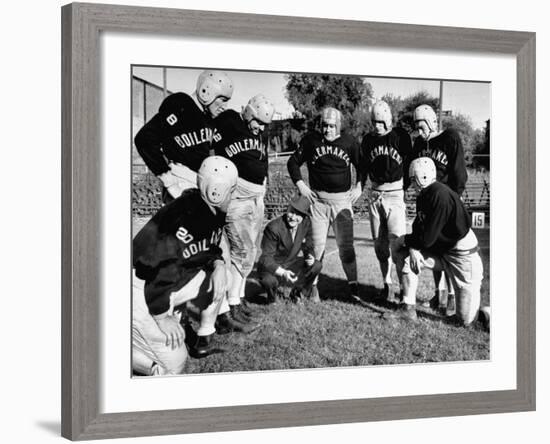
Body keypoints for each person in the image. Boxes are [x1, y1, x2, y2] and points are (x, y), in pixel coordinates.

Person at [132, 156, 258, 376]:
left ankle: (202, 337)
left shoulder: (207, 208)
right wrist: (162, 316)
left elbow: (208, 248)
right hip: (141, 288)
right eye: (232, 189)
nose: (235, 194)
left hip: (160, 281)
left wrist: (218, 263)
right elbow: (153, 266)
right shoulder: (187, 218)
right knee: (174, 366)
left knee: (222, 277)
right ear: (216, 191)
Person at [389, 157, 489, 331]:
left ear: (423, 177)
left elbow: (427, 239)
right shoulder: (425, 194)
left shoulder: (440, 195)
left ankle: (490, 313)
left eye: (413, 178)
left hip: (462, 257)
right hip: (442, 252)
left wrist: (406, 240)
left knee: (465, 321)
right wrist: (412, 247)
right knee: (403, 255)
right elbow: (419, 229)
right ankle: (408, 308)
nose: (412, 183)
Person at [287, 107, 362, 301]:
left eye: (331, 126)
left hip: (342, 202)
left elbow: (362, 165)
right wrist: (301, 185)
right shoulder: (311, 140)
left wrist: (360, 185)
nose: (327, 130)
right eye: (324, 126)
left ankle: (353, 286)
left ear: (338, 126)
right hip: (318, 202)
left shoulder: (349, 142)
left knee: (346, 248)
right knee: (315, 247)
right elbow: (293, 163)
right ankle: (313, 288)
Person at [212, 94, 275, 323]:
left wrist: (264, 184)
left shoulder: (261, 132)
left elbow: (263, 159)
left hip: (257, 196)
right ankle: (232, 304)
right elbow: (211, 145)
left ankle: (237, 296)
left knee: (248, 253)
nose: (260, 128)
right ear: (249, 112)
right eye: (258, 121)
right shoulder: (229, 120)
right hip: (237, 195)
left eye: (265, 124)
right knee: (242, 251)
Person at [134, 70, 234, 203]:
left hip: (200, 183)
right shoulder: (181, 105)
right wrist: (168, 179)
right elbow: (144, 138)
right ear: (207, 90)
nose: (224, 106)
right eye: (223, 100)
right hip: (180, 182)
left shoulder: (210, 119)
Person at [411, 104, 469, 314]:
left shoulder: (450, 137)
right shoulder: (419, 142)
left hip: (447, 202)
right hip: (429, 202)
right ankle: (439, 293)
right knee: (433, 247)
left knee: (449, 250)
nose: (420, 130)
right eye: (417, 126)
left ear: (432, 121)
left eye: (422, 125)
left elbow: (460, 174)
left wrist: (452, 201)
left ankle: (452, 296)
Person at [359, 100, 412, 302]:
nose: (377, 126)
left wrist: (404, 189)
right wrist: (359, 186)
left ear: (388, 120)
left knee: (398, 244)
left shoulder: (400, 136)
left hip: (395, 193)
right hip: (375, 193)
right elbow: (364, 167)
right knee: (380, 247)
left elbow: (410, 163)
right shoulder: (368, 140)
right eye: (374, 122)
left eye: (381, 122)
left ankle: (405, 292)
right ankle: (387, 284)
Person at [257, 195, 322, 303]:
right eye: (291, 212)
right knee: (269, 281)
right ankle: (272, 297)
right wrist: (282, 272)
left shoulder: (306, 222)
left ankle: (297, 293)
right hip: (272, 266)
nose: (293, 217)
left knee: (316, 265)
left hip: (291, 263)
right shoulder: (273, 228)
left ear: (304, 217)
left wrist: (310, 256)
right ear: (287, 209)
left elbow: (309, 244)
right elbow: (265, 257)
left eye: (298, 215)